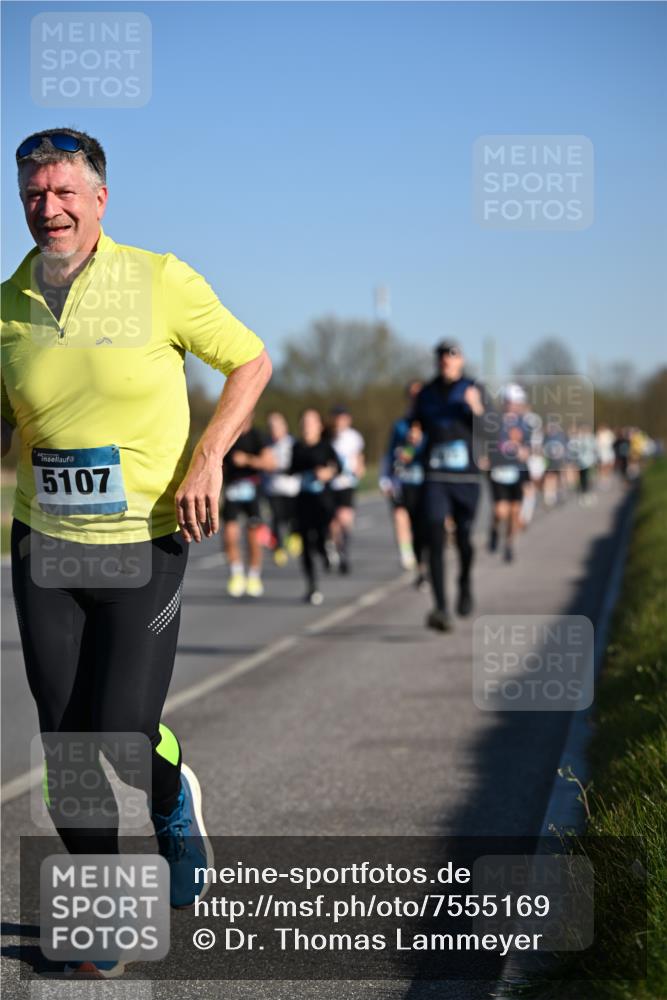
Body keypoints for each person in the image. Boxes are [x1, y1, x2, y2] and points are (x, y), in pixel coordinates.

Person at [1, 129, 272, 975]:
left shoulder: (160, 280)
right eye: (33, 193)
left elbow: (251, 362)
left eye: (63, 192)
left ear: (99, 199)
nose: (48, 207)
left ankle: (170, 798)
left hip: (145, 542)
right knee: (64, 739)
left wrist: (208, 456)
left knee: (120, 731)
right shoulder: (6, 304)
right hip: (45, 544)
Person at [412, 341, 485, 632]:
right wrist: (414, 436)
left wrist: (476, 408)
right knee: (434, 534)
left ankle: (465, 581)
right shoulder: (426, 393)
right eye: (442, 356)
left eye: (452, 355)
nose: (446, 360)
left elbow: (491, 428)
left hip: (466, 478)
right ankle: (441, 608)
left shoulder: (472, 389)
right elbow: (415, 425)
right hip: (436, 476)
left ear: (461, 360)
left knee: (465, 539)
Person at [289, 409, 341, 605]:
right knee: (305, 544)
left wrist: (327, 472)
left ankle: (327, 550)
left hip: (323, 499)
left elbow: (338, 467)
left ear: (319, 426)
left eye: (310, 423)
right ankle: (312, 586)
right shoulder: (297, 447)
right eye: (303, 423)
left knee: (320, 537)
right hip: (303, 500)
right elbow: (291, 469)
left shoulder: (326, 446)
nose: (306, 427)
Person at [222, 413, 276, 597]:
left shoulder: (257, 436)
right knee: (229, 534)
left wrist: (247, 460)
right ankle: (236, 574)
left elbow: (270, 463)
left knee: (253, 536)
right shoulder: (227, 435)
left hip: (252, 489)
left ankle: (253, 575)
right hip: (232, 490)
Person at [379, 380, 427, 581]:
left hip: (424, 482)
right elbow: (390, 453)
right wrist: (385, 478)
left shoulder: (430, 422)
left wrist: (419, 445)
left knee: (423, 528)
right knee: (400, 516)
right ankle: (406, 554)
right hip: (402, 481)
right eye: (411, 394)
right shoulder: (400, 425)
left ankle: (424, 568)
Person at [487, 383, 532, 562]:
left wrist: (524, 451)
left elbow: (529, 448)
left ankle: (509, 545)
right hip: (499, 470)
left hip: (518, 471)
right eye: (510, 402)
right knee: (501, 512)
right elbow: (486, 444)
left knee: (515, 512)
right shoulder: (494, 421)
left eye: (516, 402)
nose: (513, 405)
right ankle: (495, 529)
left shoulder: (525, 424)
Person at [328, 405, 365, 574]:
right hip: (330, 483)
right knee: (333, 522)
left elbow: (359, 456)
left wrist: (359, 468)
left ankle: (344, 551)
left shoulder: (354, 437)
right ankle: (336, 549)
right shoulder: (328, 436)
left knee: (344, 518)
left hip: (347, 483)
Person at [264, 411, 302, 566]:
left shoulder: (293, 443)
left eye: (277, 426)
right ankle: (278, 548)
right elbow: (264, 464)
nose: (274, 430)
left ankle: (294, 536)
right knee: (277, 519)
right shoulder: (267, 445)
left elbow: (297, 463)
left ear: (284, 426)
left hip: (292, 489)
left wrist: (280, 467)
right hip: (274, 489)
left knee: (292, 518)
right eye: (271, 427)